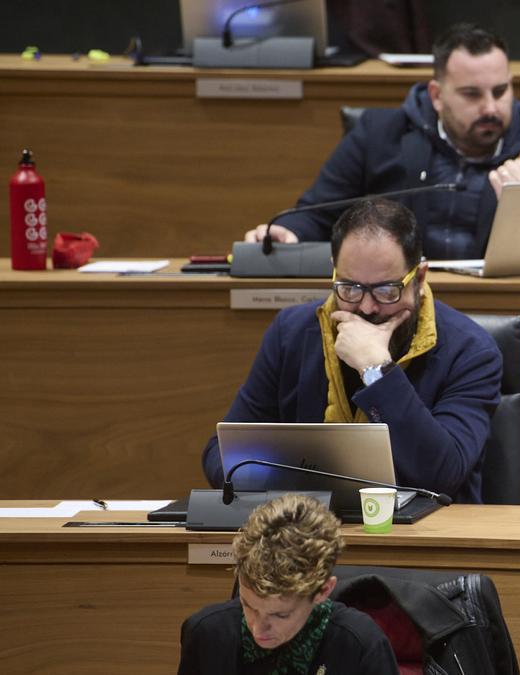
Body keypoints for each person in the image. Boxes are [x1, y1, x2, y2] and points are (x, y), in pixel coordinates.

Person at [206, 198, 502, 503]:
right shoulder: (291, 332)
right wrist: (284, 489)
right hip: (305, 528)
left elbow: (442, 476)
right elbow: (222, 452)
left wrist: (377, 370)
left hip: (425, 537)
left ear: (420, 277)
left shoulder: (471, 351)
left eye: (387, 290)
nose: (367, 307)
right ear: (334, 274)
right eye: (350, 288)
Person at [244, 23, 520, 260]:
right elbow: (318, 213)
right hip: (394, 303)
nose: (490, 107)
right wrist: (287, 232)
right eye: (471, 94)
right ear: (437, 95)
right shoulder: (378, 136)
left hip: (497, 308)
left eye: (500, 91)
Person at [178, 494, 399, 674]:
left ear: (323, 591)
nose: (258, 628)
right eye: (248, 606)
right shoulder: (206, 633)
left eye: (280, 615)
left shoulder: (360, 645)